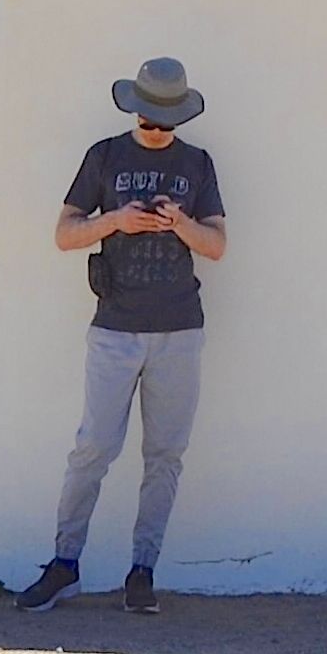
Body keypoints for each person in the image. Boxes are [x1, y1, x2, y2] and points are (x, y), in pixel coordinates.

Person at [19, 57, 228, 615]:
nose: (155, 130)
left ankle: (143, 571)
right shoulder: (105, 156)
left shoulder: (198, 163)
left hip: (179, 329)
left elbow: (217, 245)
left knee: (165, 455)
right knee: (93, 448)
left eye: (165, 122)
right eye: (147, 119)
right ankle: (64, 565)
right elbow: (64, 234)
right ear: (133, 109)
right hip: (114, 328)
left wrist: (179, 223)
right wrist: (116, 221)